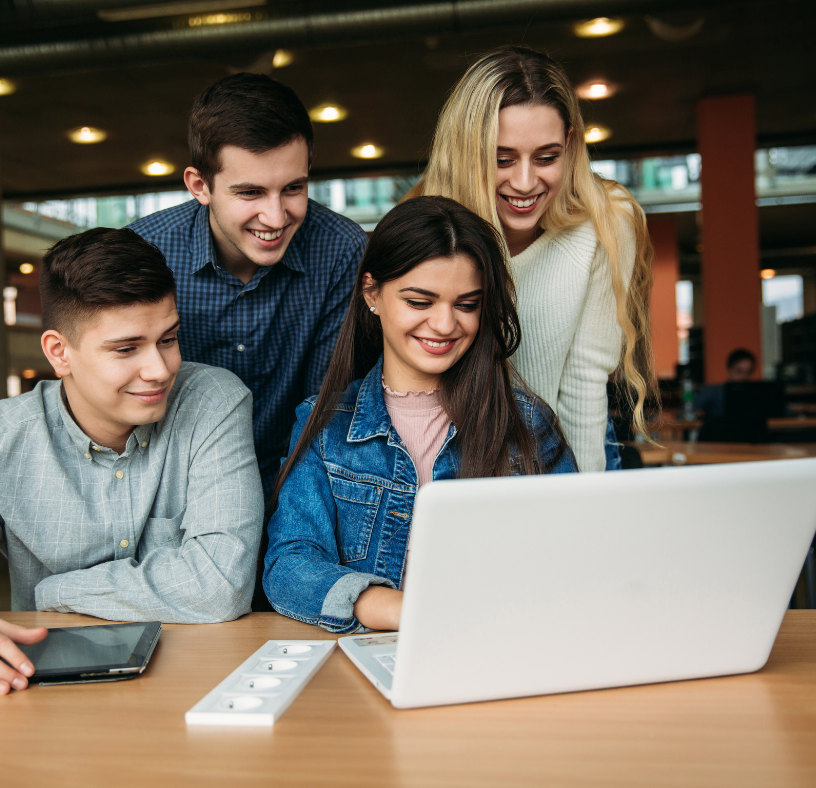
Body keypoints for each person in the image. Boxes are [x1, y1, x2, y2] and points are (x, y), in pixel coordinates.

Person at [0, 227, 263, 701]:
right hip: (45, 694)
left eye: (168, 339)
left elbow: (221, 584)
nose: (161, 369)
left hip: (196, 681)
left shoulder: (213, 402)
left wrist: (56, 590)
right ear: (60, 353)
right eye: (126, 349)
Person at [263, 197, 576, 634]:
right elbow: (289, 566)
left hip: (503, 647)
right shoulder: (324, 423)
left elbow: (573, 561)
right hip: (375, 655)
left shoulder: (528, 425)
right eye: (420, 301)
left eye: (466, 304)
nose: (445, 324)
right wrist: (397, 609)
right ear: (372, 293)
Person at [408, 46, 656, 472]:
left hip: (573, 453)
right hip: (460, 455)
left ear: (571, 145)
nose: (525, 183)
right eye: (502, 159)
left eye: (547, 157)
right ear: (468, 152)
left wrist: (580, 509)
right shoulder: (433, 225)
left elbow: (584, 387)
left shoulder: (607, 220)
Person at [128, 73, 368, 495]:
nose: (276, 218)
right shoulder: (143, 251)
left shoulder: (341, 249)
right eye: (251, 193)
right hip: (171, 489)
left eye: (293, 188)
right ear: (199, 186)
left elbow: (326, 408)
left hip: (296, 484)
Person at [695, 348, 757, 418]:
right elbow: (689, 412)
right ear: (729, 370)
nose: (744, 376)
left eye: (748, 372)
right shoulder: (714, 391)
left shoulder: (756, 394)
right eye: (739, 371)